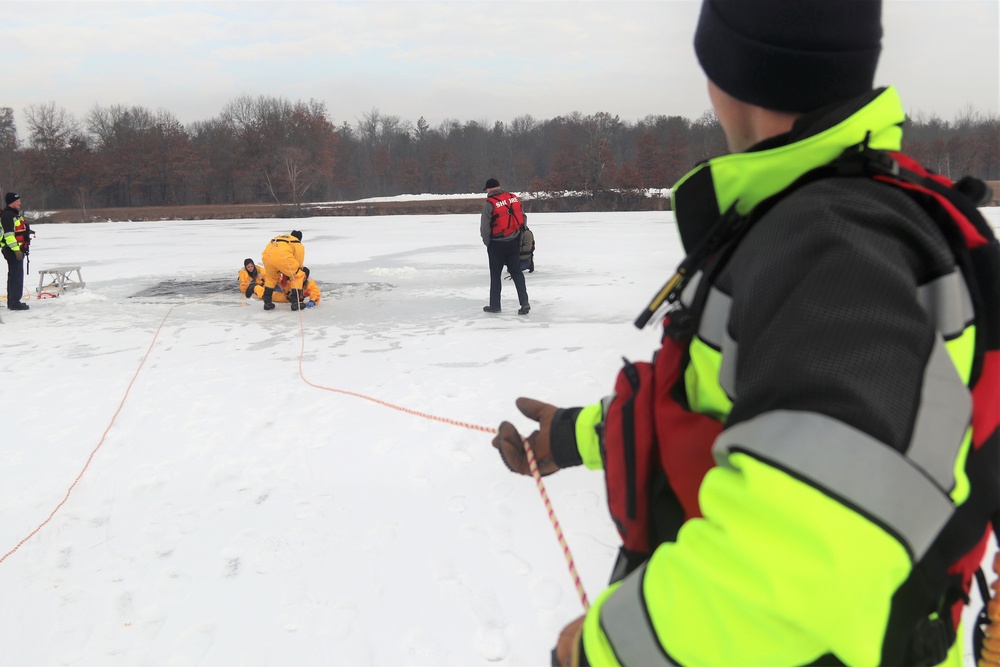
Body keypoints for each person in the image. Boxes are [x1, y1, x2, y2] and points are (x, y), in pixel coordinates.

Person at [491, 1, 1000, 665]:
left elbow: (801, 567)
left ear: (724, 74)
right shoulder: (823, 218)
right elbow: (714, 407)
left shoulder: (835, 248)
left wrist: (599, 648)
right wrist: (569, 436)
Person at [481, 178, 529, 314]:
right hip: (513, 242)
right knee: (517, 273)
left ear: (489, 189)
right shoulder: (513, 198)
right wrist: (519, 236)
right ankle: (524, 302)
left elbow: (485, 227)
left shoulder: (489, 204)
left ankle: (495, 306)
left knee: (495, 275)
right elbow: (523, 218)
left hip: (497, 244)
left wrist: (487, 243)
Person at [261, 230, 305, 311]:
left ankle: (267, 302)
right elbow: (299, 262)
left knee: (271, 278)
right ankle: (296, 303)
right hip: (283, 259)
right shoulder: (297, 242)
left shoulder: (280, 238)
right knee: (298, 275)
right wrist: (299, 270)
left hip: (267, 257)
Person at [0, 192, 28, 310]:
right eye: (18, 201)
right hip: (12, 250)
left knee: (15, 275)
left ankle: (13, 301)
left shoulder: (14, 215)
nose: (20, 203)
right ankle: (14, 303)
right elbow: (9, 235)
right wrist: (16, 250)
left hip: (17, 249)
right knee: (16, 276)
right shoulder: (7, 215)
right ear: (11, 202)